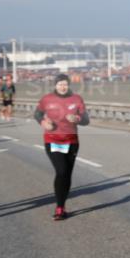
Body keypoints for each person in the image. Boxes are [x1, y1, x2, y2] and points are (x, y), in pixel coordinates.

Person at [35, 74, 90, 220]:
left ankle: (62, 205)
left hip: (71, 141)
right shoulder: (47, 99)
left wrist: (77, 118)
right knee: (61, 170)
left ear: (69, 85)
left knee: (67, 174)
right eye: (60, 84)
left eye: (65, 84)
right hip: (52, 139)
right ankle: (59, 208)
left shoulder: (77, 99)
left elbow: (86, 119)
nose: (62, 87)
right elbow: (37, 113)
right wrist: (43, 123)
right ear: (55, 85)